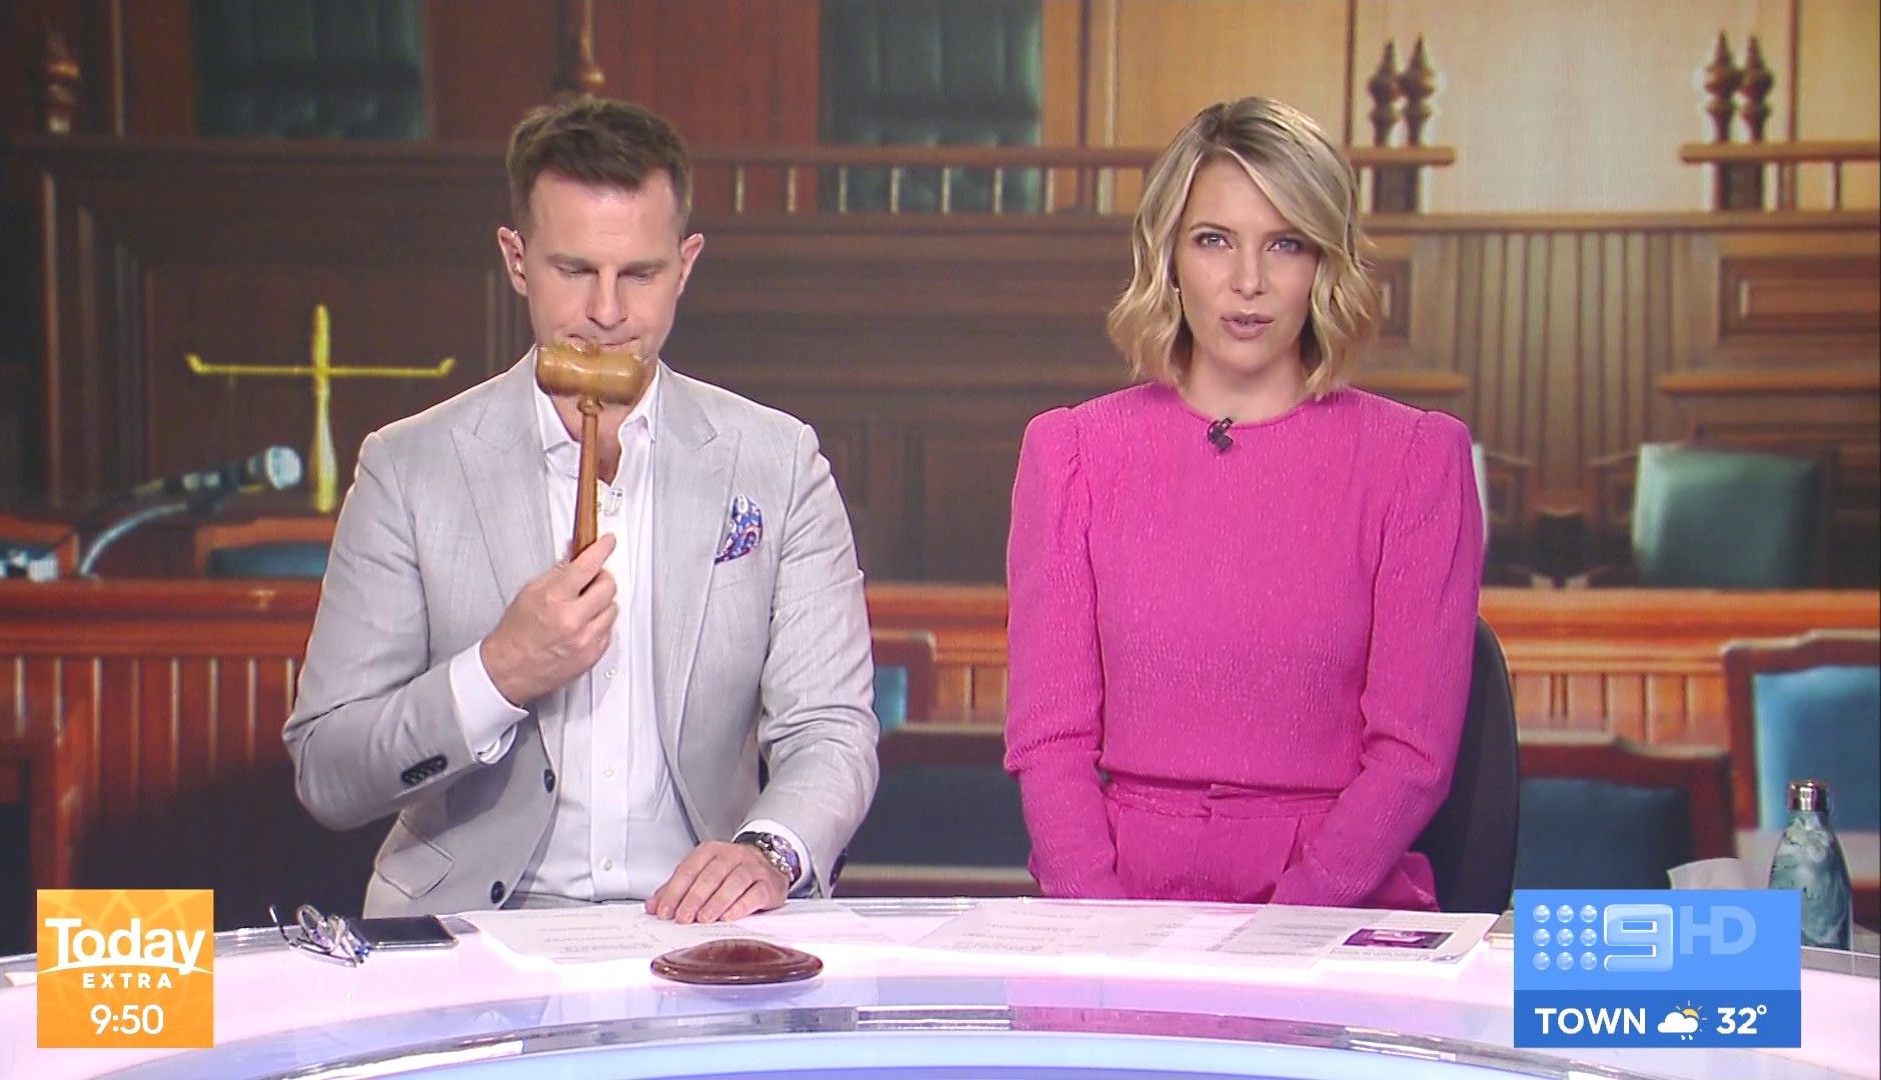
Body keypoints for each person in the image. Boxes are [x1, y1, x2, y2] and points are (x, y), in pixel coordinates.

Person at [283, 96, 878, 923]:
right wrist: (498, 673)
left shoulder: (778, 464)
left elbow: (831, 730)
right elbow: (327, 769)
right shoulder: (407, 468)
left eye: (639, 273)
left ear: (686, 264)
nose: (606, 312)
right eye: (574, 271)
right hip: (470, 928)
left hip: (701, 930)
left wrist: (768, 853)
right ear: (517, 259)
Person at [1004, 98, 1483, 910]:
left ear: (1324, 264)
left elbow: (1412, 758)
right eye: (1214, 240)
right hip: (1117, 905)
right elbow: (1051, 743)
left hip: (1336, 906)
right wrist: (1101, 930)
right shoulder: (1071, 453)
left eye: (1285, 243)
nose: (1249, 281)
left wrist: (1281, 936)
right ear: (1168, 254)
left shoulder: (1415, 460)